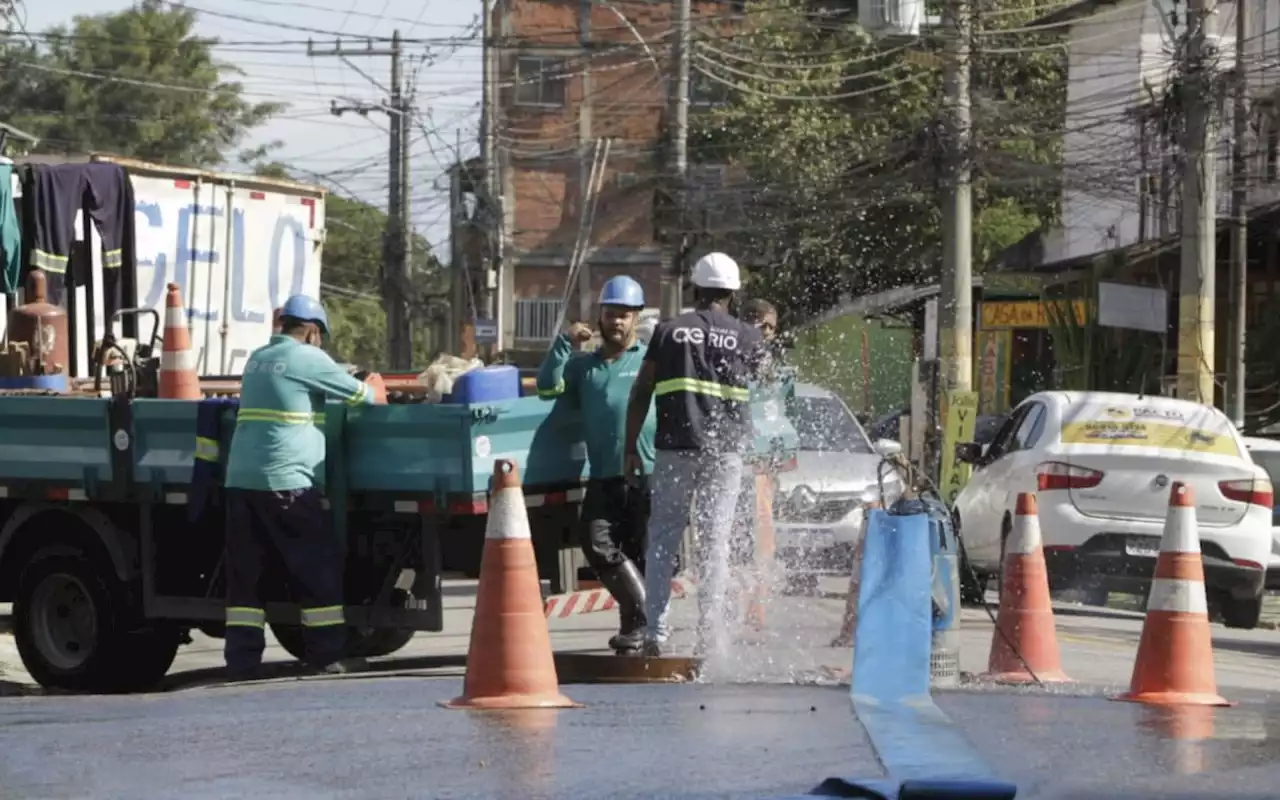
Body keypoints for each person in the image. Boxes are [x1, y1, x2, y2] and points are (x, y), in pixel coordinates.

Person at [222, 294, 386, 680]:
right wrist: (374, 383)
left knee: (246, 577)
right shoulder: (307, 358)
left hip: (241, 482)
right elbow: (367, 398)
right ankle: (326, 655)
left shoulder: (257, 358)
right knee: (315, 568)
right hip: (287, 483)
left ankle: (242, 662)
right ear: (312, 330)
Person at [624, 252, 765, 658]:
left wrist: (630, 446)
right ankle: (709, 636)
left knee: (664, 537)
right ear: (732, 294)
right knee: (715, 540)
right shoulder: (748, 337)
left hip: (675, 448)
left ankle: (655, 632)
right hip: (726, 453)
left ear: (696, 290)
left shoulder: (669, 331)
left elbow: (641, 391)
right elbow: (767, 384)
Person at [536, 276, 657, 653]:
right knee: (596, 543)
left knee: (640, 553)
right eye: (610, 314)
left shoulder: (651, 360)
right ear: (599, 318)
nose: (616, 322)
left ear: (636, 318)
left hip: (646, 474)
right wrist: (563, 343)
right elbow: (545, 386)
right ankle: (643, 613)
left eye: (624, 315)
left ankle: (635, 633)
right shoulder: (583, 367)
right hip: (603, 475)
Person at [730, 298, 781, 608]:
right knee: (737, 537)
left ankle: (756, 610)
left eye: (772, 329)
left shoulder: (766, 359)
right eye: (765, 327)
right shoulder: (733, 353)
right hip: (736, 461)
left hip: (761, 466)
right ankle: (739, 608)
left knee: (761, 539)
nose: (769, 334)